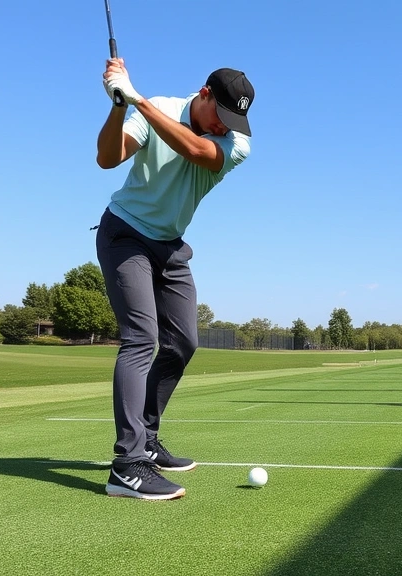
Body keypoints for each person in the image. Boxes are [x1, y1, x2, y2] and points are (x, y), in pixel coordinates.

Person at [95, 58, 254, 500]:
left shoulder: (236, 144)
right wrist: (119, 105)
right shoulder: (161, 107)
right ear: (204, 94)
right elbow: (107, 159)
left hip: (170, 246)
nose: (225, 128)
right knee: (140, 339)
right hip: (125, 235)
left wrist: (138, 100)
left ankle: (147, 439)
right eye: (221, 117)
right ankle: (128, 464)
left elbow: (197, 152)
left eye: (233, 122)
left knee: (183, 342)